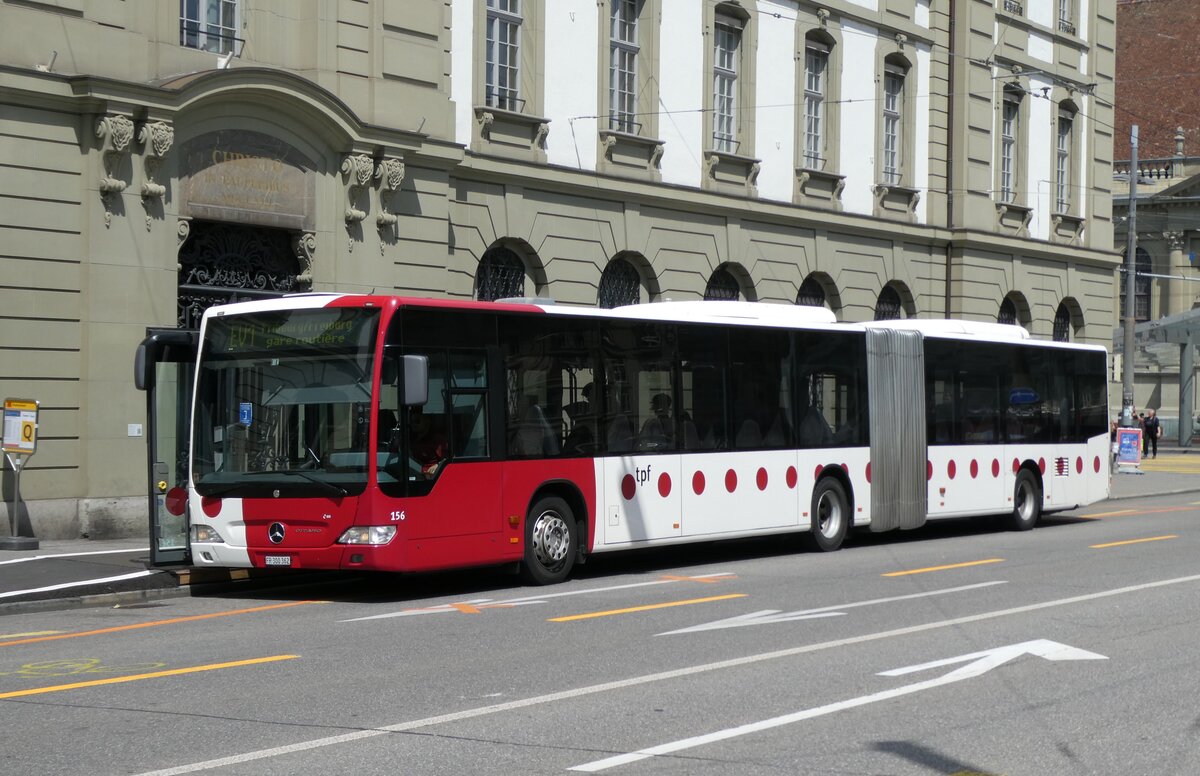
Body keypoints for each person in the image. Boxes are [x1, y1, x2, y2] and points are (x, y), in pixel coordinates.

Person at [408, 406, 448, 477]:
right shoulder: (410, 438)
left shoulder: (438, 440)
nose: (413, 425)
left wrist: (437, 465)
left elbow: (448, 459)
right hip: (413, 474)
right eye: (412, 422)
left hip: (431, 477)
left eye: (417, 421)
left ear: (427, 421)